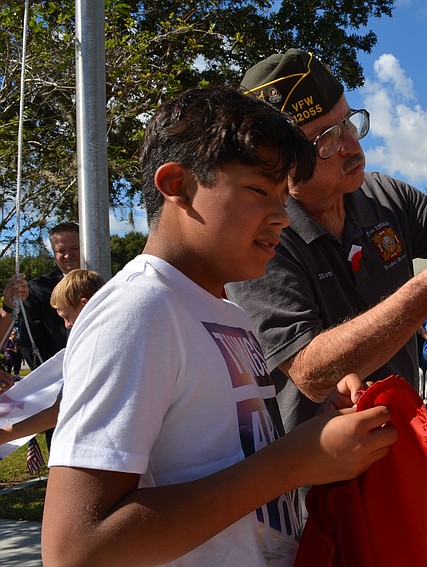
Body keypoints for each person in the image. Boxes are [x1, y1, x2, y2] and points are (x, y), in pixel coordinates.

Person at [43, 86, 397, 566]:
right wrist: (292, 463)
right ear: (177, 185)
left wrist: (319, 431)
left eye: (282, 195)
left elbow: (230, 461)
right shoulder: (139, 310)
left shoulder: (228, 313)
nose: (281, 218)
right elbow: (75, 549)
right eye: (258, 191)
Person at [226, 49, 427, 433]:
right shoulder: (261, 236)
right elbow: (310, 372)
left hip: (406, 448)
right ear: (284, 162)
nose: (353, 146)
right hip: (315, 478)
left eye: (349, 122)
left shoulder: (385, 196)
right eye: (327, 139)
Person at [0, 269, 106, 446]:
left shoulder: (94, 348)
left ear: (84, 304)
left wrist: (5, 435)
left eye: (66, 317)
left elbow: (61, 410)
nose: (67, 325)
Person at [18, 222, 80, 370]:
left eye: (75, 248)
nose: (68, 255)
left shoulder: (109, 282)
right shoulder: (37, 289)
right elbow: (30, 341)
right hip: (59, 378)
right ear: (54, 253)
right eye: (61, 250)